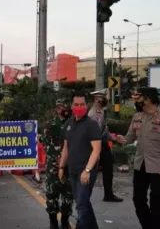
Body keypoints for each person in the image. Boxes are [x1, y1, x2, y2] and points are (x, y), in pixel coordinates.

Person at [116, 87, 160, 229]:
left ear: (148, 99)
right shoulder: (138, 117)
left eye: (139, 98)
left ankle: (154, 226)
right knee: (138, 199)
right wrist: (122, 139)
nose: (136, 101)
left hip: (159, 168)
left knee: (157, 202)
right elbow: (130, 137)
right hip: (140, 165)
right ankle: (148, 226)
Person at [59, 91, 102, 229]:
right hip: (73, 171)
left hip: (86, 171)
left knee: (81, 205)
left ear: (87, 105)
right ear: (71, 106)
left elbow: (96, 150)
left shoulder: (91, 124)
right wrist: (61, 168)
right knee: (83, 203)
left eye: (82, 104)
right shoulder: (69, 124)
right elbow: (66, 148)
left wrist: (87, 170)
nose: (79, 107)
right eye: (76, 104)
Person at [42, 99, 74, 229]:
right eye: (61, 107)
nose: (64, 110)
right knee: (52, 196)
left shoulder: (73, 124)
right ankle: (53, 222)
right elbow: (46, 145)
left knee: (68, 196)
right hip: (53, 167)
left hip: (69, 167)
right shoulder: (51, 125)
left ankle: (65, 220)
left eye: (66, 107)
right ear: (57, 109)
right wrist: (57, 157)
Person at [88, 89, 123, 203]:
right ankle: (86, 194)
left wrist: (114, 139)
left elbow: (104, 131)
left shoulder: (100, 112)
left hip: (101, 144)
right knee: (94, 171)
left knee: (108, 169)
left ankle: (108, 194)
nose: (106, 100)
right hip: (98, 146)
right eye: (103, 98)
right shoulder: (94, 115)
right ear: (97, 99)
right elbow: (96, 134)